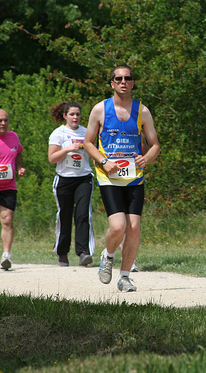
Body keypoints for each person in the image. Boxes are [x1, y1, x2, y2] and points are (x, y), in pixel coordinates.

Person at [84, 65, 160, 292]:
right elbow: (88, 142)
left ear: (133, 83)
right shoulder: (100, 109)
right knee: (118, 227)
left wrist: (147, 158)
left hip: (134, 176)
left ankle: (125, 276)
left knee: (134, 227)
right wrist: (103, 161)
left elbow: (155, 144)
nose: (123, 81)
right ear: (112, 83)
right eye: (119, 78)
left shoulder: (142, 111)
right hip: (109, 176)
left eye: (128, 78)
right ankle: (107, 256)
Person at [48, 101, 95, 267]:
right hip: (64, 179)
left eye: (78, 114)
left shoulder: (87, 132)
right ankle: (62, 252)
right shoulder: (58, 133)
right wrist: (68, 149)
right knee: (64, 216)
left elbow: (95, 152)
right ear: (65, 116)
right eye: (72, 114)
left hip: (83, 178)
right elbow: (52, 158)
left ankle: (83, 252)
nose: (75, 117)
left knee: (83, 215)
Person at [0, 109, 26, 270]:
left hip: (8, 185)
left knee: (7, 220)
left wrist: (19, 167)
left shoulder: (13, 136)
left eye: (5, 120)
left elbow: (18, 153)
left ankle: (6, 255)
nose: (3, 123)